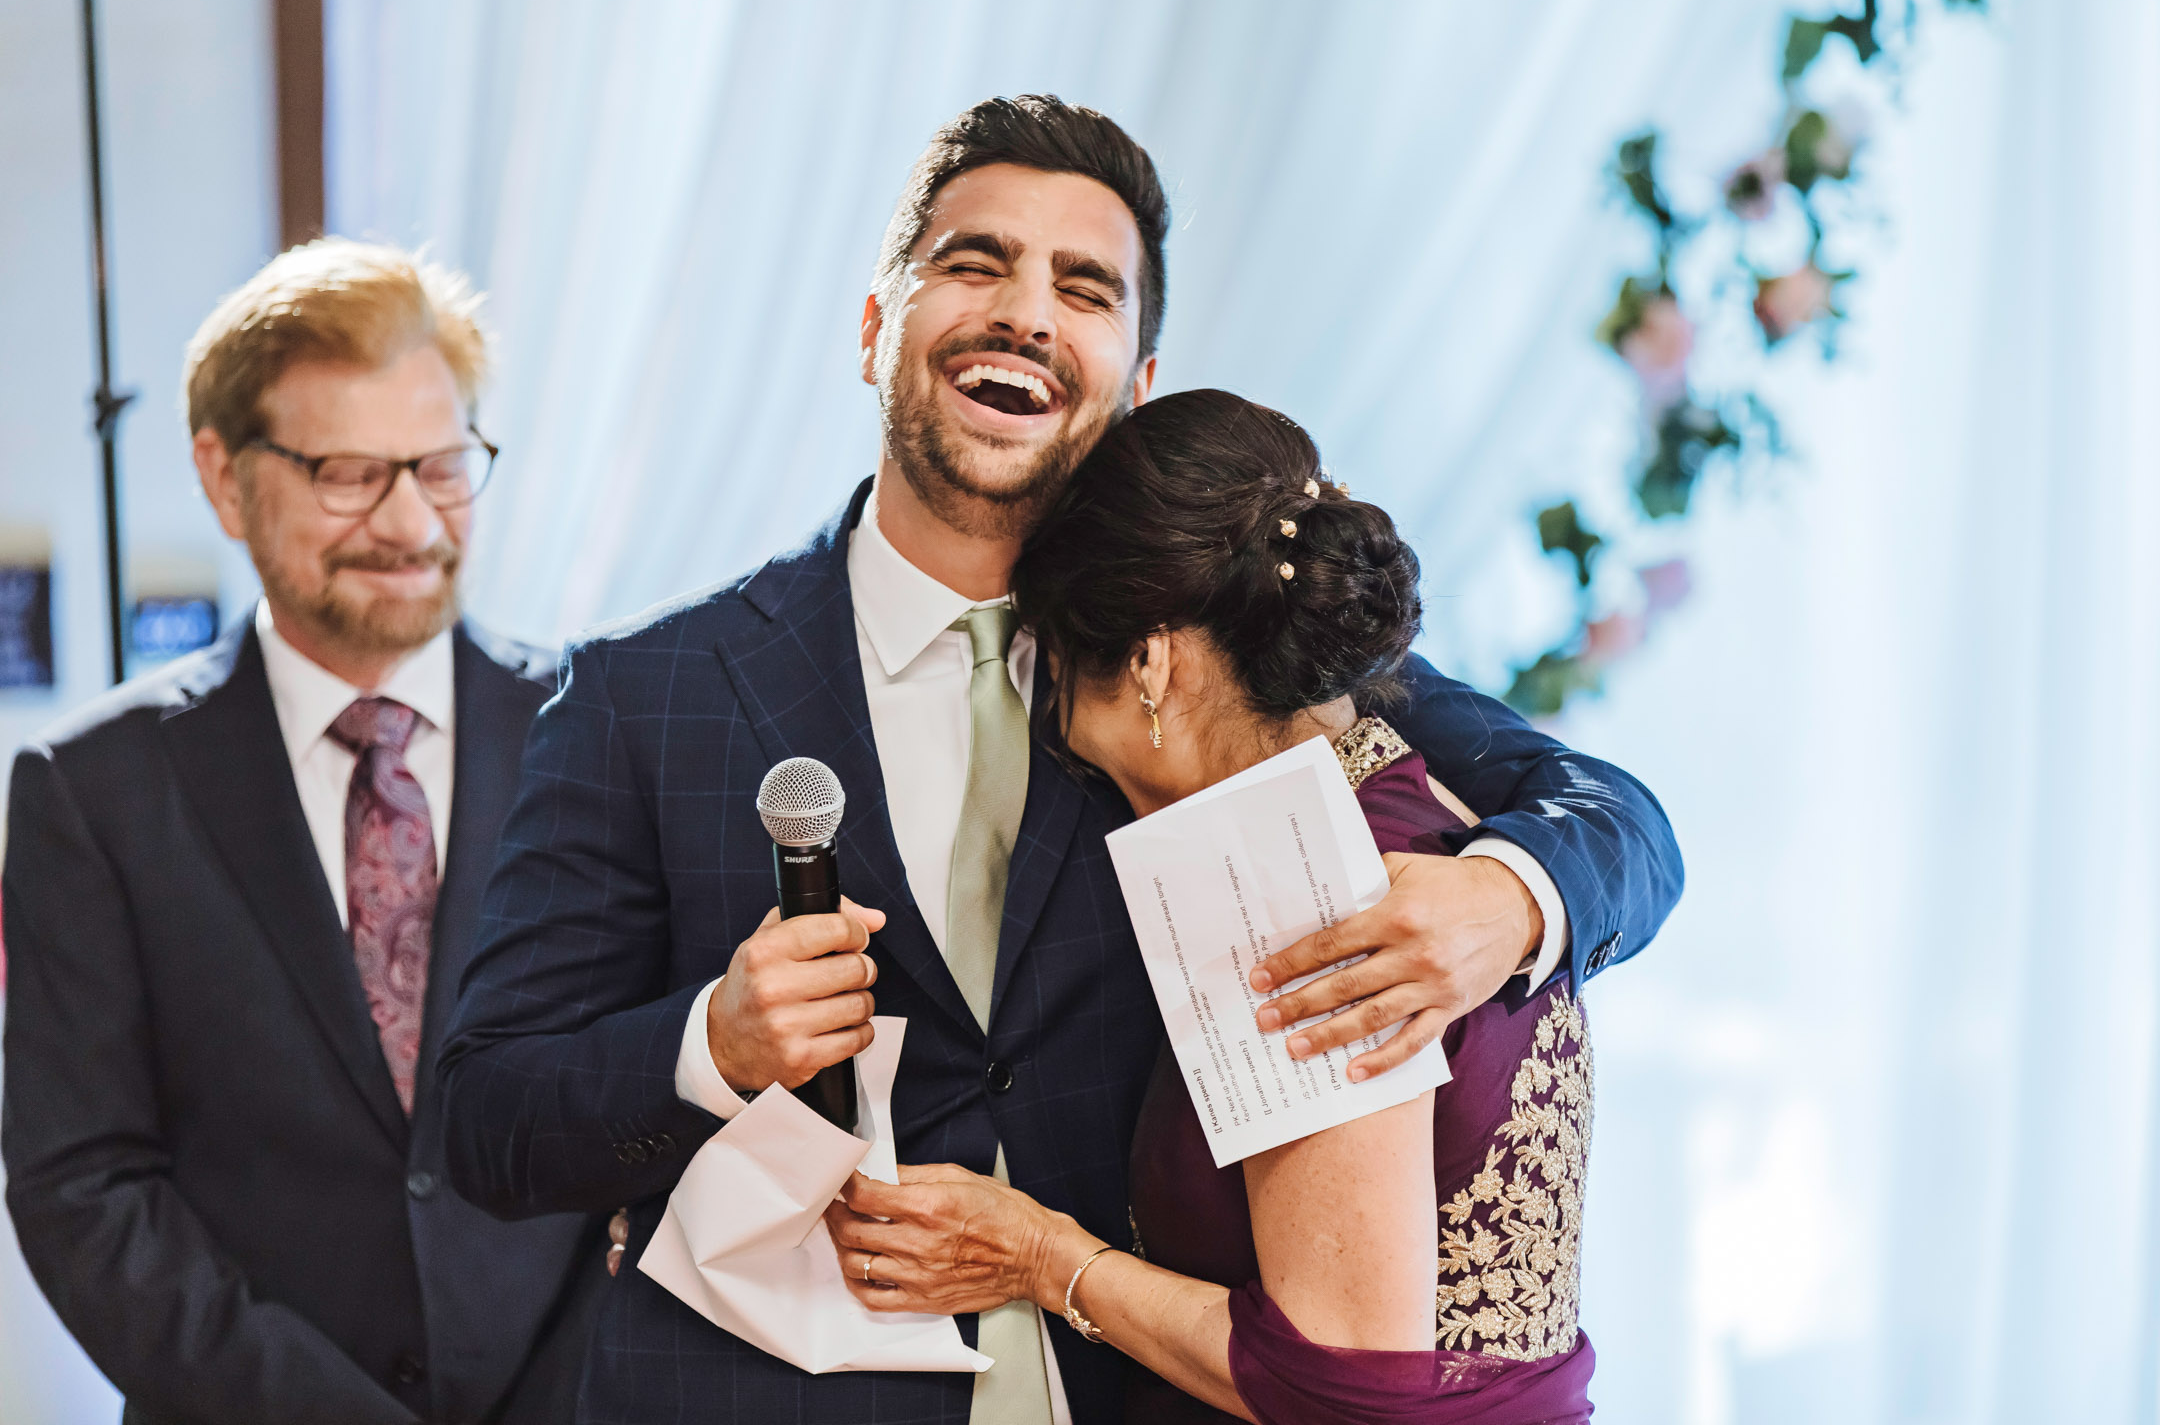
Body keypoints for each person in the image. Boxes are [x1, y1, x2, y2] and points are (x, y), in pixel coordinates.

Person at [438, 95, 1680, 1425]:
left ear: (1135, 384)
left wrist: (1510, 901)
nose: (1027, 313)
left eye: (1083, 288)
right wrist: (714, 1045)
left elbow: (1618, 818)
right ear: (875, 327)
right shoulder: (643, 695)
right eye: (974, 263)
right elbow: (489, 1120)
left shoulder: (1223, 657)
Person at [826, 389, 1598, 1424]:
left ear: (1149, 662)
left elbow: (1341, 1384)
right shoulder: (1426, 802)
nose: (1067, 743)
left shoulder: (1291, 880)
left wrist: (1038, 1254)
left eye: (1059, 682)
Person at [1, 241, 606, 1425]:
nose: (408, 521)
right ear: (224, 480)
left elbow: (663, 1126)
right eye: (345, 471)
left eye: (440, 466)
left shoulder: (601, 737)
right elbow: (83, 1186)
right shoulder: (91, 792)